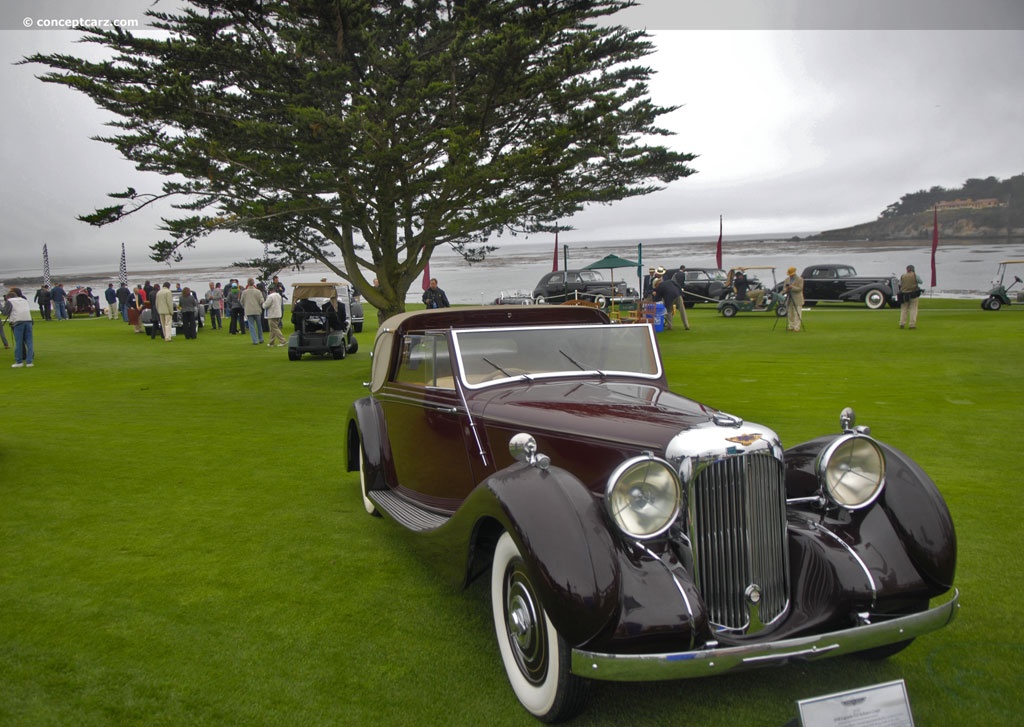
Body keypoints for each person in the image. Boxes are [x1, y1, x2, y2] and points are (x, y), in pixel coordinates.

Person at [6, 288, 34, 367]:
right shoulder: (24, 300)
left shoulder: (10, 301)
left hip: (18, 322)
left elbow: (5, 312)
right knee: (29, 342)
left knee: (19, 342)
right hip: (28, 320)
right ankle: (29, 362)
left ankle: (19, 361)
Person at [240, 278, 265, 344]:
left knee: (251, 326)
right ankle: (261, 338)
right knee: (259, 325)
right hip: (257, 310)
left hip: (249, 311)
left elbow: (241, 301)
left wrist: (245, 306)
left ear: (248, 283)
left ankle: (255, 340)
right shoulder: (258, 291)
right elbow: (262, 301)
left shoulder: (244, 292)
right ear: (253, 283)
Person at [898, 264, 923, 329]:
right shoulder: (915, 275)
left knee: (904, 310)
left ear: (907, 269)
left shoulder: (902, 276)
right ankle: (912, 325)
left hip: (904, 295)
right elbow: (921, 282)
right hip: (913, 295)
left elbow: (900, 284)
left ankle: (902, 324)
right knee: (913, 310)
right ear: (913, 269)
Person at [783, 266, 804, 332]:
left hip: (797, 298)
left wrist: (792, 287)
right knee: (790, 313)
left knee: (797, 313)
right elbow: (784, 288)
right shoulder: (787, 279)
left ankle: (796, 327)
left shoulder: (800, 279)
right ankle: (791, 326)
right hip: (789, 298)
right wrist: (786, 289)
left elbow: (800, 289)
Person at [670, 264, 691, 330]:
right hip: (680, 292)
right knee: (682, 309)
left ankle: (669, 324)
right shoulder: (685, 274)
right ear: (684, 269)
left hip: (674, 292)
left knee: (669, 309)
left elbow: (673, 281)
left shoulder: (675, 274)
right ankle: (686, 325)